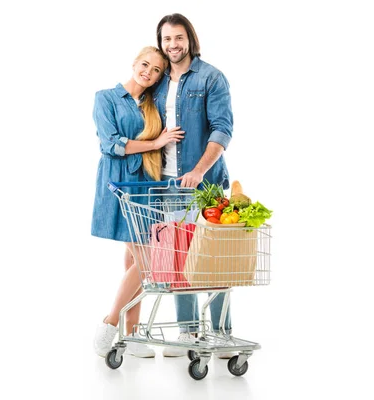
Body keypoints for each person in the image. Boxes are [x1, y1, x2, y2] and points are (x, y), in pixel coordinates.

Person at [91, 46, 185, 358]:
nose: (148, 72)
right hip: (119, 186)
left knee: (136, 260)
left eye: (156, 70)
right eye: (145, 64)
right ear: (134, 63)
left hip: (147, 188)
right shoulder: (105, 97)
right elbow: (111, 144)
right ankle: (110, 321)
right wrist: (156, 142)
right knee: (146, 260)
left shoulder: (152, 105)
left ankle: (131, 336)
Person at [152, 13, 236, 359]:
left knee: (213, 259)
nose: (173, 45)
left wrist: (200, 170)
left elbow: (222, 130)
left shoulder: (211, 77)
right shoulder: (157, 82)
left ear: (190, 39)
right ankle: (188, 331)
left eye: (178, 38)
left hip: (205, 184)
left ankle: (221, 334)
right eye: (167, 39)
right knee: (179, 259)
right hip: (168, 183)